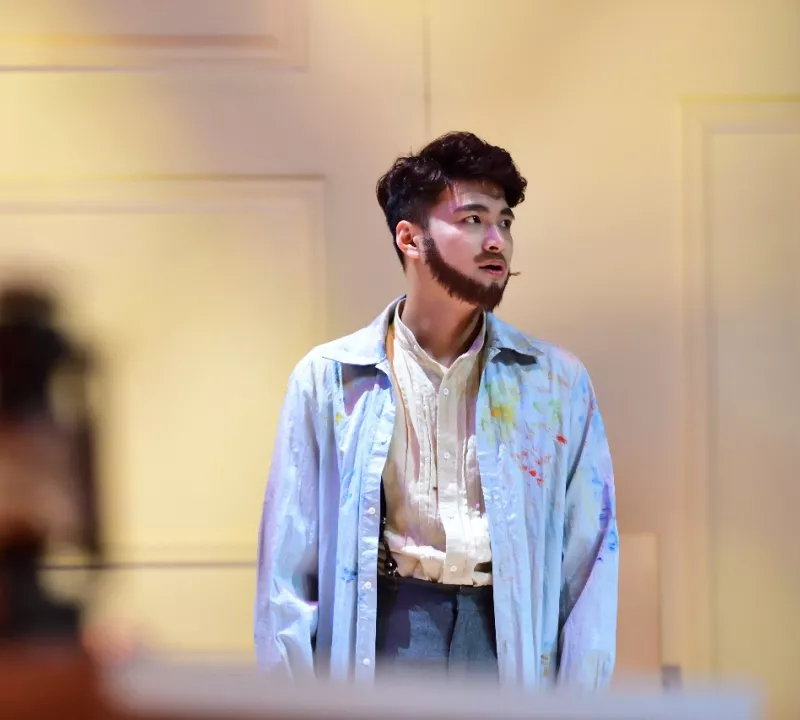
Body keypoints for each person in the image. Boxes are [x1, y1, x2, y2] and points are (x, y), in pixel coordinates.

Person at [253, 131, 618, 689]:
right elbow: (288, 567)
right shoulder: (330, 378)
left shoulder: (554, 382)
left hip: (509, 644)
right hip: (385, 636)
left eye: (504, 222)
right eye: (473, 219)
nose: (496, 240)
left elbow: (588, 565)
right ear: (410, 238)